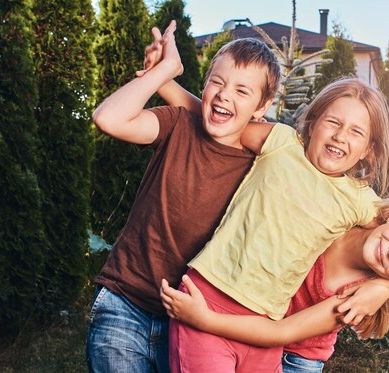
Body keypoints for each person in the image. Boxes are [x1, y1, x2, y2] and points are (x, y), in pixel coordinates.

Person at [145, 29, 389, 373]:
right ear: (312, 124)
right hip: (210, 294)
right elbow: (216, 119)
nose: (340, 135)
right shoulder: (280, 142)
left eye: (356, 132)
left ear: (368, 149)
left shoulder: (360, 200)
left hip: (265, 326)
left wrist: (386, 285)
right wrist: (161, 79)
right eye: (333, 122)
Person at [85, 20, 282, 373]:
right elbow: (108, 118)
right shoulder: (177, 124)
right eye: (217, 83)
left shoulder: (263, 163)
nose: (224, 95)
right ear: (204, 85)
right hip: (124, 302)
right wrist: (162, 73)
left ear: (262, 106)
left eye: (242, 90)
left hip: (192, 325)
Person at [160, 197, 389, 372]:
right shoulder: (348, 212)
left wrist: (206, 320)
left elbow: (280, 334)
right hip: (257, 328)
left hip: (294, 358)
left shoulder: (352, 298)